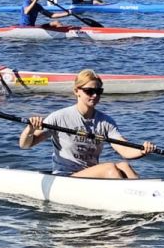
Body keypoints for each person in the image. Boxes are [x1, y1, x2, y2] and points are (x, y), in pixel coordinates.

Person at [19, 69, 156, 178]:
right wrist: (30, 129)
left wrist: (142, 150)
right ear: (76, 91)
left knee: (125, 166)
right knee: (110, 168)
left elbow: (124, 149)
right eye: (89, 91)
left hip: (91, 176)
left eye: (98, 91)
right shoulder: (59, 117)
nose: (94, 95)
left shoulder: (106, 122)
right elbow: (25, 145)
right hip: (65, 177)